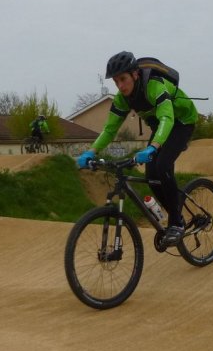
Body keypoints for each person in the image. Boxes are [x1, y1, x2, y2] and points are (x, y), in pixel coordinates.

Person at [76, 51, 198, 246]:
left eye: (123, 79)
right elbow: (109, 129)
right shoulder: (122, 99)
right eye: (116, 82)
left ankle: (176, 224)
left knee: (163, 165)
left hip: (182, 122)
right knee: (151, 175)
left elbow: (168, 117)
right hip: (161, 126)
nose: (120, 86)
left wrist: (153, 147)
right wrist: (91, 151)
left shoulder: (154, 85)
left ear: (135, 74)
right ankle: (177, 214)